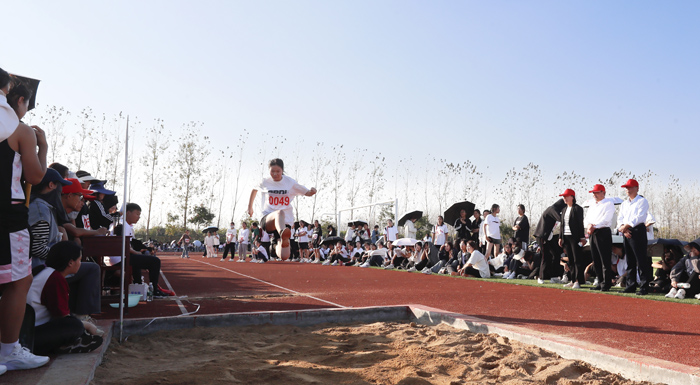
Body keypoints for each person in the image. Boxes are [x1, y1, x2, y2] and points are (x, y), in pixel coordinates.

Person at [0, 72, 51, 373]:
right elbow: (34, 177)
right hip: (8, 215)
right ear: (19, 99)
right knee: (19, 281)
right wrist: (41, 147)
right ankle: (8, 350)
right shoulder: (19, 131)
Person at [27, 242, 103, 355]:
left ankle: (69, 343)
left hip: (24, 330)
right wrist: (87, 325)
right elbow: (61, 316)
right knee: (74, 326)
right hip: (28, 335)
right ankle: (63, 344)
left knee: (73, 322)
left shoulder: (44, 271)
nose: (80, 263)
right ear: (71, 262)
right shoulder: (55, 278)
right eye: (79, 260)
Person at [247, 159, 316, 260]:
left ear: (282, 170)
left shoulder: (289, 182)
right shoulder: (265, 181)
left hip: (285, 220)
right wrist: (250, 207)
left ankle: (274, 246)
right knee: (279, 212)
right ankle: (282, 233)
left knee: (284, 255)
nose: (275, 174)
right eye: (272, 171)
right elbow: (254, 189)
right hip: (268, 218)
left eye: (278, 171)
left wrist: (312, 191)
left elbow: (307, 193)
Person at [108, 203, 167, 297]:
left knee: (138, 258)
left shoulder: (125, 224)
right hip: (120, 259)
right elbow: (124, 245)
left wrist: (140, 251)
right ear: (128, 213)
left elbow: (129, 244)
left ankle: (138, 284)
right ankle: (154, 290)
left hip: (120, 256)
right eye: (137, 214)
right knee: (155, 261)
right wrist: (137, 252)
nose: (139, 217)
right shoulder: (123, 225)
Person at [28, 169, 71, 268]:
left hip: (43, 265)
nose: (61, 190)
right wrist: (62, 257)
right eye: (59, 185)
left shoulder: (40, 205)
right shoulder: (41, 209)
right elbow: (37, 248)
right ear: (51, 185)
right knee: (92, 268)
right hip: (39, 268)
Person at [617, 179, 652, 295]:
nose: (628, 190)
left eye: (630, 187)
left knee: (641, 260)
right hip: (626, 231)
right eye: (627, 188)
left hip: (637, 230)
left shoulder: (642, 201)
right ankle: (631, 285)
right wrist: (623, 228)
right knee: (630, 260)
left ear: (637, 188)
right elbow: (620, 218)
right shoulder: (624, 203)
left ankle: (644, 287)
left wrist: (625, 227)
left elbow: (639, 217)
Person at [584, 184, 616, 291]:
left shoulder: (608, 203)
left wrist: (594, 226)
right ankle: (600, 280)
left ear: (603, 192)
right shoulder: (592, 205)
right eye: (593, 192)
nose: (594, 194)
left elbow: (606, 219)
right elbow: (587, 218)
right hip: (592, 232)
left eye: (597, 192)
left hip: (603, 232)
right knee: (596, 259)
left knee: (604, 259)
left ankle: (606, 283)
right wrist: (589, 226)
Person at [533, 198, 566, 284]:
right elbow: (560, 219)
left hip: (548, 237)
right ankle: (541, 277)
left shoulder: (553, 209)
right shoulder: (553, 209)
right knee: (545, 257)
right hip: (542, 236)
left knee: (556, 254)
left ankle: (554, 277)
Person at [557, 189, 586, 289]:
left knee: (577, 259)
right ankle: (573, 280)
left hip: (575, 237)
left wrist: (582, 237)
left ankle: (578, 281)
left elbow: (580, 224)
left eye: (566, 196)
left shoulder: (578, 209)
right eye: (563, 196)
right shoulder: (564, 209)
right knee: (571, 260)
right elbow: (562, 225)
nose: (564, 198)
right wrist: (560, 237)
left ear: (572, 197)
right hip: (566, 237)